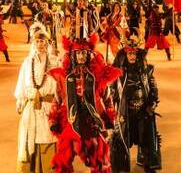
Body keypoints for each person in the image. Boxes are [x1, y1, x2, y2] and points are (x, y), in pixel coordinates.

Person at [47, 36, 121, 173]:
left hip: (91, 121)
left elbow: (107, 98)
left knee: (100, 159)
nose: (81, 56)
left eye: (83, 53)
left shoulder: (97, 76)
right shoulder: (64, 77)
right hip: (70, 120)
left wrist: (110, 116)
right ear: (73, 56)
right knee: (63, 160)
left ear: (88, 55)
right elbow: (56, 100)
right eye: (78, 53)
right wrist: (53, 119)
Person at [111, 36, 161, 173]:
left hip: (143, 112)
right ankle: (122, 168)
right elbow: (112, 90)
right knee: (120, 141)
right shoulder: (118, 72)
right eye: (129, 53)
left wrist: (153, 101)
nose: (132, 56)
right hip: (124, 112)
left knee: (146, 141)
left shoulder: (146, 69)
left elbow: (152, 86)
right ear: (125, 54)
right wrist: (112, 104)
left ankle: (148, 166)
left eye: (134, 53)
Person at [14, 27, 60, 173]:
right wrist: (20, 100)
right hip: (31, 107)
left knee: (47, 137)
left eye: (43, 41)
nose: (41, 44)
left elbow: (60, 85)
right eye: (38, 41)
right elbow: (22, 82)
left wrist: (60, 105)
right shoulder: (27, 62)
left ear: (47, 42)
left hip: (48, 107)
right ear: (34, 42)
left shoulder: (54, 62)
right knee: (29, 139)